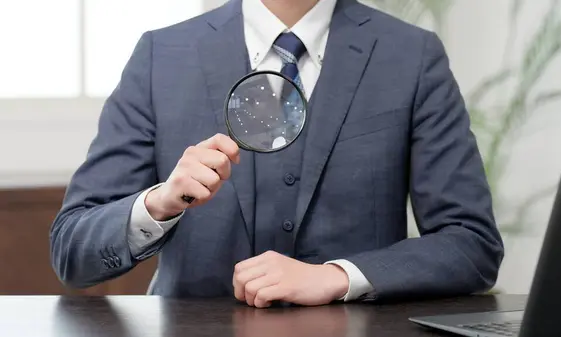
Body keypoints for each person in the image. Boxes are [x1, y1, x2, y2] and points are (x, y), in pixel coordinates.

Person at [50, 0, 504, 308]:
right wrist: (159, 203)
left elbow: (472, 244)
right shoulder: (161, 55)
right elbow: (73, 251)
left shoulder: (411, 55)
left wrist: (339, 276)